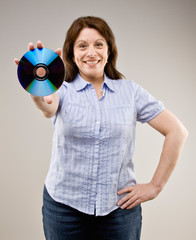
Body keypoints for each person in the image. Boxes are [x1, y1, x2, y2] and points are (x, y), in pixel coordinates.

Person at [15, 16, 188, 240]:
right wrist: (39, 93)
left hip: (118, 211)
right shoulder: (62, 91)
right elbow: (47, 107)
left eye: (99, 44)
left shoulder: (130, 92)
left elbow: (177, 131)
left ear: (109, 50)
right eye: (82, 45)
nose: (91, 52)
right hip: (63, 208)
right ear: (72, 53)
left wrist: (155, 186)